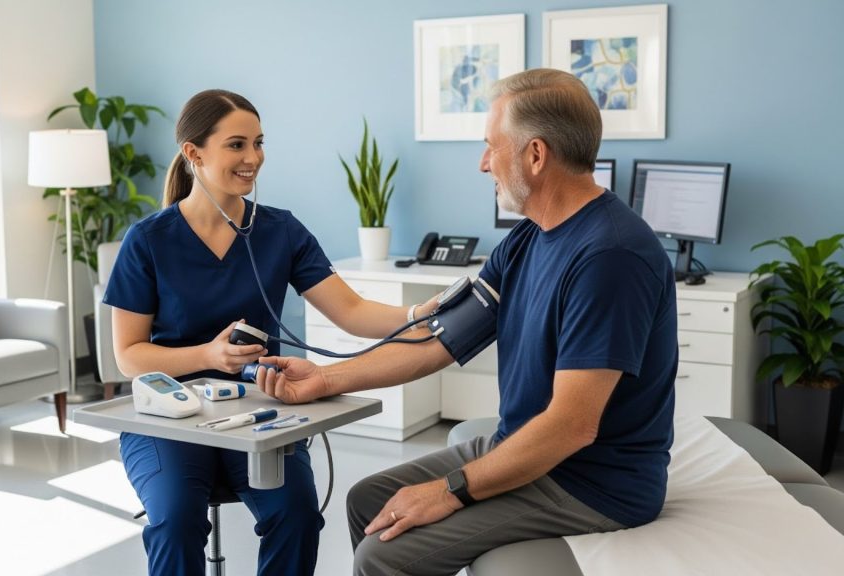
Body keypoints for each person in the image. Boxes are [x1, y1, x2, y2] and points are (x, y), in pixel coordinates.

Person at [255, 68, 678, 576]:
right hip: (527, 449)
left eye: (490, 146)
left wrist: (450, 490)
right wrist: (324, 378)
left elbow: (572, 426)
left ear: (536, 155)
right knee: (368, 499)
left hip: (591, 484)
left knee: (385, 554)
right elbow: (438, 342)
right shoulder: (527, 239)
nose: (482, 164)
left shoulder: (611, 255)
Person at [103, 89, 438, 576]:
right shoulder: (148, 240)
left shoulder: (281, 231)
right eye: (236, 145)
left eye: (259, 143)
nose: (253, 158)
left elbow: (351, 309)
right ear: (194, 153)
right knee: (176, 522)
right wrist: (210, 355)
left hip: (258, 409)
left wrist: (417, 313)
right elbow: (129, 357)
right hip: (167, 417)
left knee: (297, 515)